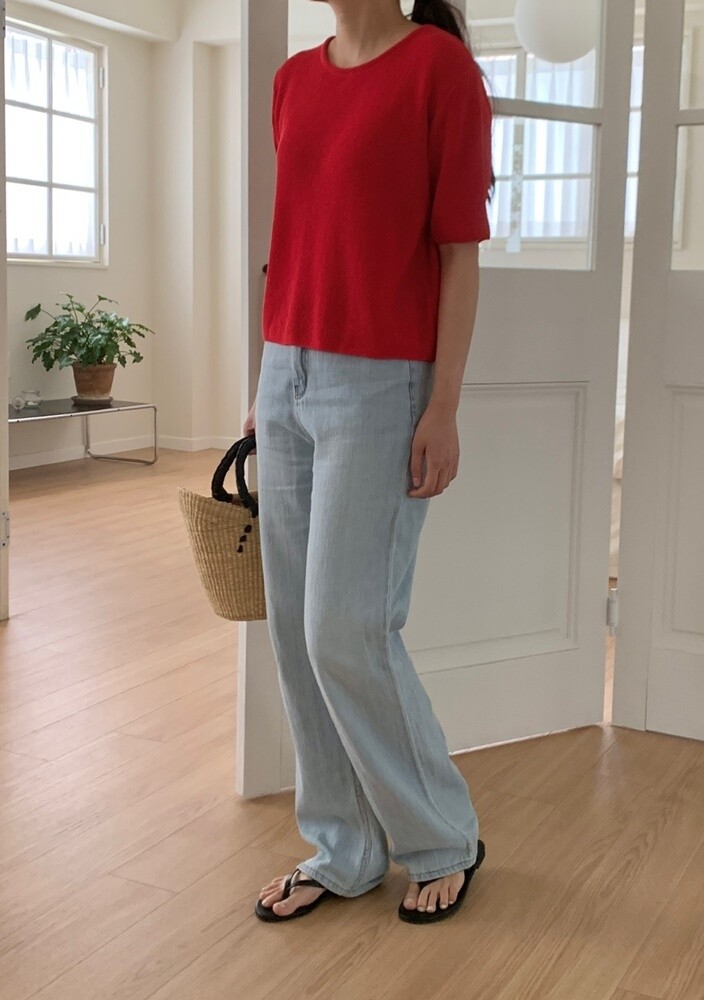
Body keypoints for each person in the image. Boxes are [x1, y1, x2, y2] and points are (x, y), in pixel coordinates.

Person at [244, 0, 495, 924]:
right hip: (287, 371)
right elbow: (296, 240)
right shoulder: (292, 81)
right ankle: (342, 849)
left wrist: (444, 404)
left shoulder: (438, 70)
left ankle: (443, 838)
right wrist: (264, 378)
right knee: (292, 631)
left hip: (383, 385)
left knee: (345, 628)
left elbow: (459, 255)